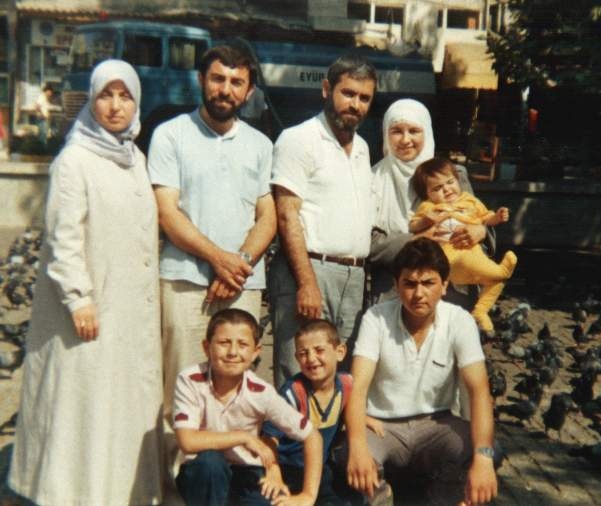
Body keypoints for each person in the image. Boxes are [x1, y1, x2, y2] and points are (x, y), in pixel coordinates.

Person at [9, 60, 163, 505]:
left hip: (127, 306)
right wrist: (79, 299)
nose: (115, 106)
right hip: (86, 310)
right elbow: (63, 237)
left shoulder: (134, 158)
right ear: (91, 101)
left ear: (137, 102)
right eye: (105, 95)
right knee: (82, 405)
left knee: (116, 404)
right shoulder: (74, 160)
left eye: (124, 96)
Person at [148, 45, 276, 431]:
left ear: (249, 91)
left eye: (237, 82)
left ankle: (234, 465)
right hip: (185, 282)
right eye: (218, 79)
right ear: (201, 80)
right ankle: (178, 469)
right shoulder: (170, 135)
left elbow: (268, 216)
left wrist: (238, 265)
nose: (226, 89)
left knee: (239, 393)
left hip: (242, 285)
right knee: (182, 390)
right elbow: (167, 212)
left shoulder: (260, 144)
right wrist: (220, 260)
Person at [345, 238, 498, 506]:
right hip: (382, 426)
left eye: (428, 283)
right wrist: (357, 447)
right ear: (396, 285)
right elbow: (357, 387)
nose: (418, 294)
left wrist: (483, 458)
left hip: (437, 423)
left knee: (488, 452)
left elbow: (479, 391)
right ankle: (380, 497)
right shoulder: (376, 318)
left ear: (444, 285)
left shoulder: (460, 320)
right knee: (346, 454)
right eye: (409, 284)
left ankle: (441, 499)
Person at [269, 54, 377, 386]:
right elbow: (287, 215)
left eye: (364, 98)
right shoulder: (298, 139)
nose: (355, 105)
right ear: (327, 89)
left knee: (337, 378)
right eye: (348, 93)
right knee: (298, 374)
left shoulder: (362, 148)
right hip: (310, 271)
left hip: (353, 276)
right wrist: (307, 283)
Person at [173, 308, 323, 506]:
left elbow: (312, 436)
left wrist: (308, 495)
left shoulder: (261, 392)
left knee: (273, 501)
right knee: (211, 463)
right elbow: (187, 441)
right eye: (224, 343)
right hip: (203, 473)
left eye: (243, 344)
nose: (233, 352)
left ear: (255, 352)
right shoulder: (190, 379)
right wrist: (244, 437)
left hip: (247, 471)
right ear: (206, 347)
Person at [369, 99, 488, 305]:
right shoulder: (372, 179)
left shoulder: (452, 174)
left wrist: (482, 231)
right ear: (386, 134)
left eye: (414, 131)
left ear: (427, 132)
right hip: (393, 291)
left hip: (451, 289)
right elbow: (367, 243)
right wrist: (416, 240)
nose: (405, 140)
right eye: (396, 131)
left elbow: (478, 216)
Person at [263, 320, 374, 505]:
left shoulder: (346, 385)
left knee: (349, 500)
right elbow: (269, 437)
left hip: (320, 469)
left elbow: (351, 411)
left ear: (340, 352)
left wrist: (366, 419)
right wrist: (273, 471)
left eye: (319, 350)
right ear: (297, 358)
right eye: (303, 353)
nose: (311, 358)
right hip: (288, 468)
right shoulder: (293, 393)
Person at [409, 157, 517, 333]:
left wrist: (497, 217)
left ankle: (481, 311)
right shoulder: (429, 206)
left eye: (450, 182)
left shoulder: (470, 200)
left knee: (497, 280)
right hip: (448, 255)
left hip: (472, 252)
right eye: (437, 188)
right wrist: (425, 221)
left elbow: (486, 218)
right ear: (427, 194)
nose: (446, 189)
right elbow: (413, 225)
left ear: (457, 180)